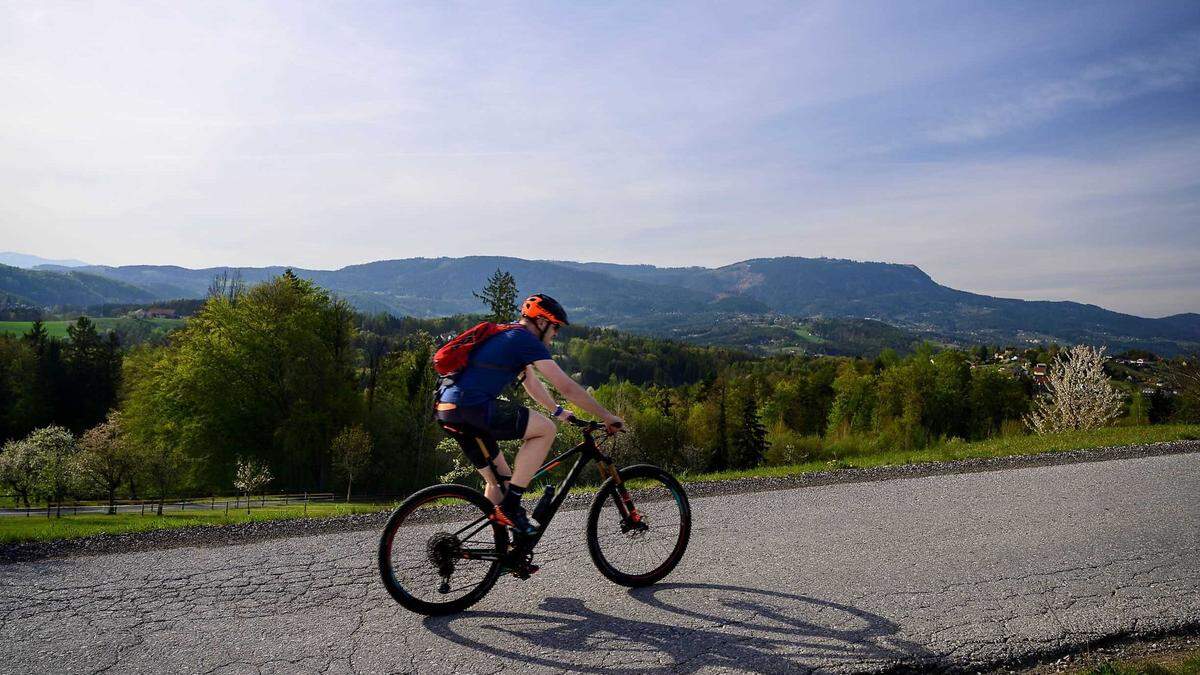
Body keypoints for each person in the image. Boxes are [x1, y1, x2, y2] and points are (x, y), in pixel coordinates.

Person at [434, 294, 624, 536]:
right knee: (545, 430)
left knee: (498, 482)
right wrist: (607, 416)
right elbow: (566, 386)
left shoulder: (508, 334)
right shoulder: (525, 339)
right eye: (555, 327)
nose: (555, 334)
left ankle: (503, 550)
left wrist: (557, 410)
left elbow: (530, 382)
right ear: (542, 322)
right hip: (472, 408)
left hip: (448, 409)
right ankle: (513, 507)